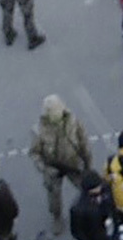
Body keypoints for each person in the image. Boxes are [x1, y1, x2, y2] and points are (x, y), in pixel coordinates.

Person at [30, 96, 93, 229]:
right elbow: (35, 154)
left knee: (85, 189)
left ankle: (88, 214)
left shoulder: (74, 122)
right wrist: (45, 169)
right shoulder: (38, 130)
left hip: (73, 163)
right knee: (54, 196)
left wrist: (88, 164)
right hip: (52, 168)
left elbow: (84, 143)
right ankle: (57, 217)